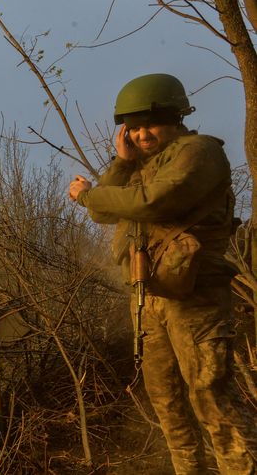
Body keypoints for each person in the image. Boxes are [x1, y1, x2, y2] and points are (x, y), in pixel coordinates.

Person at [69, 73, 257, 474]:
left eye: (149, 124)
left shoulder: (199, 152)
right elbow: (104, 211)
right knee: (167, 402)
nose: (140, 135)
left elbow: (151, 202)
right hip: (151, 298)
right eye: (133, 128)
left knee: (211, 398)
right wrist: (121, 163)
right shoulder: (140, 165)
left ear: (175, 117)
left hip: (196, 297)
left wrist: (88, 192)